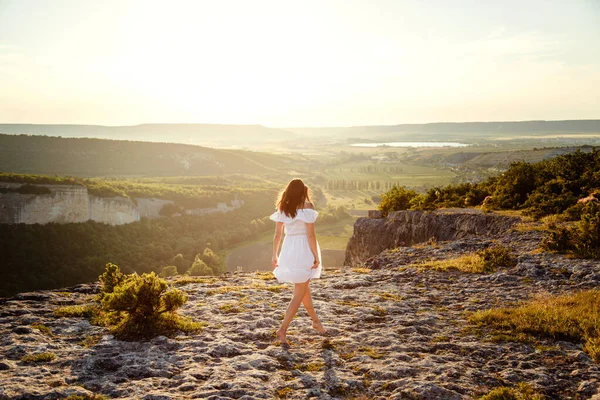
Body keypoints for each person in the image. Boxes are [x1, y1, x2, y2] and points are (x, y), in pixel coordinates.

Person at [270, 178, 327, 345]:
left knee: (303, 288)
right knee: (299, 292)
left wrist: (275, 255)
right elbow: (311, 235)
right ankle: (282, 329)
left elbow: (277, 235)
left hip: (288, 248)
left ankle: (316, 322)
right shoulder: (308, 208)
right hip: (303, 249)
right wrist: (315, 256)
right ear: (304, 191)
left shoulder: (283, 208)